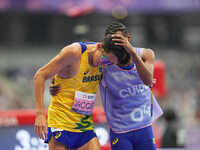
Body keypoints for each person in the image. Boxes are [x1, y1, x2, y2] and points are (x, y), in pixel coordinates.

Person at [50, 22, 163, 150]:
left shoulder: (146, 54)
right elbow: (74, 67)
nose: (116, 44)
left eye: (120, 40)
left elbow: (147, 80)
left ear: (128, 39)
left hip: (144, 126)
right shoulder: (104, 61)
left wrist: (131, 51)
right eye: (112, 40)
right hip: (120, 130)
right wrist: (57, 82)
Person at [33, 41, 103, 150]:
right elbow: (40, 75)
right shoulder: (74, 52)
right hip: (61, 124)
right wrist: (40, 114)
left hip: (84, 127)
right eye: (103, 59)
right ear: (100, 47)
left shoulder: (110, 60)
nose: (104, 63)